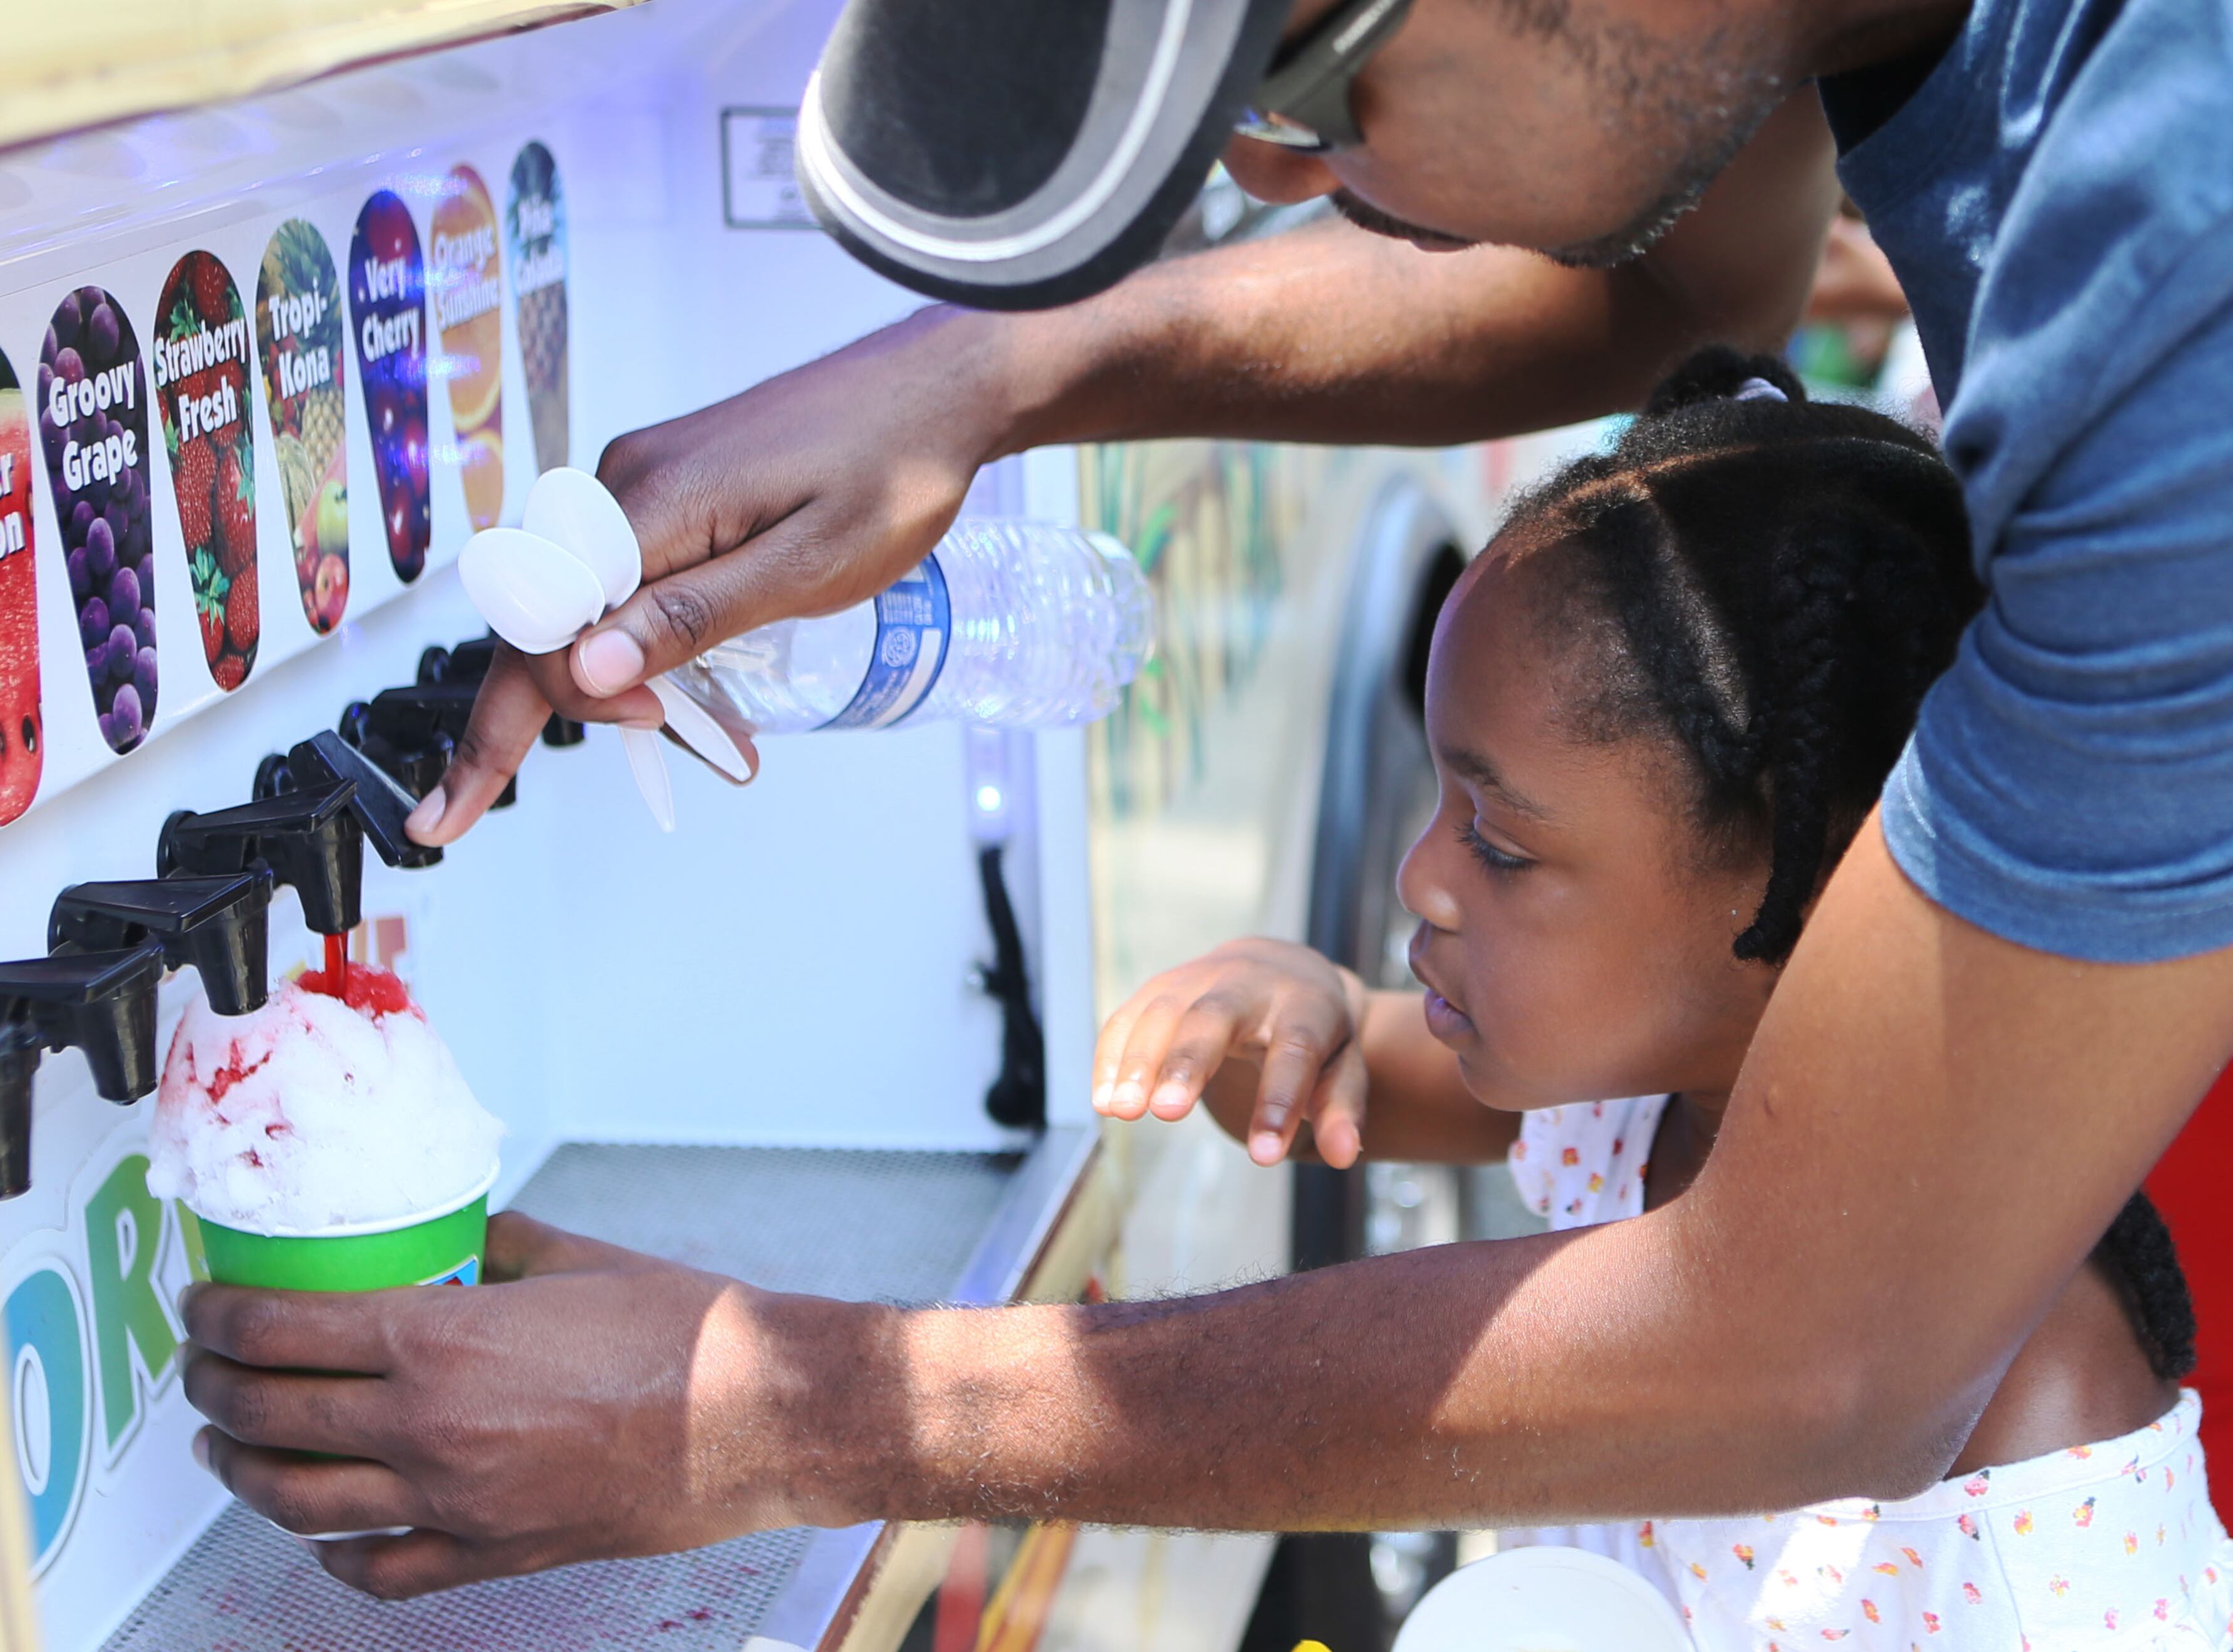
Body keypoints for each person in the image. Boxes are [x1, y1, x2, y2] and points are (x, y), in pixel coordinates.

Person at [179, 0, 2233, 1603]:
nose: (1274, 164)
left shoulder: (2190, 247)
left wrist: (775, 1407)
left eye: (1311, 71)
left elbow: (1820, 1353)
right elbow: (1697, 263)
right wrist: (980, 380)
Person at [1097, 346, 2222, 1645]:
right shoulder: (1654, 1101)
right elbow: (1359, 1078)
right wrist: (1306, 1013)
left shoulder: (2030, 1508)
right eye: (1439, 804)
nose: (1421, 874)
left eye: (1502, 843)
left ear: (1808, 885)